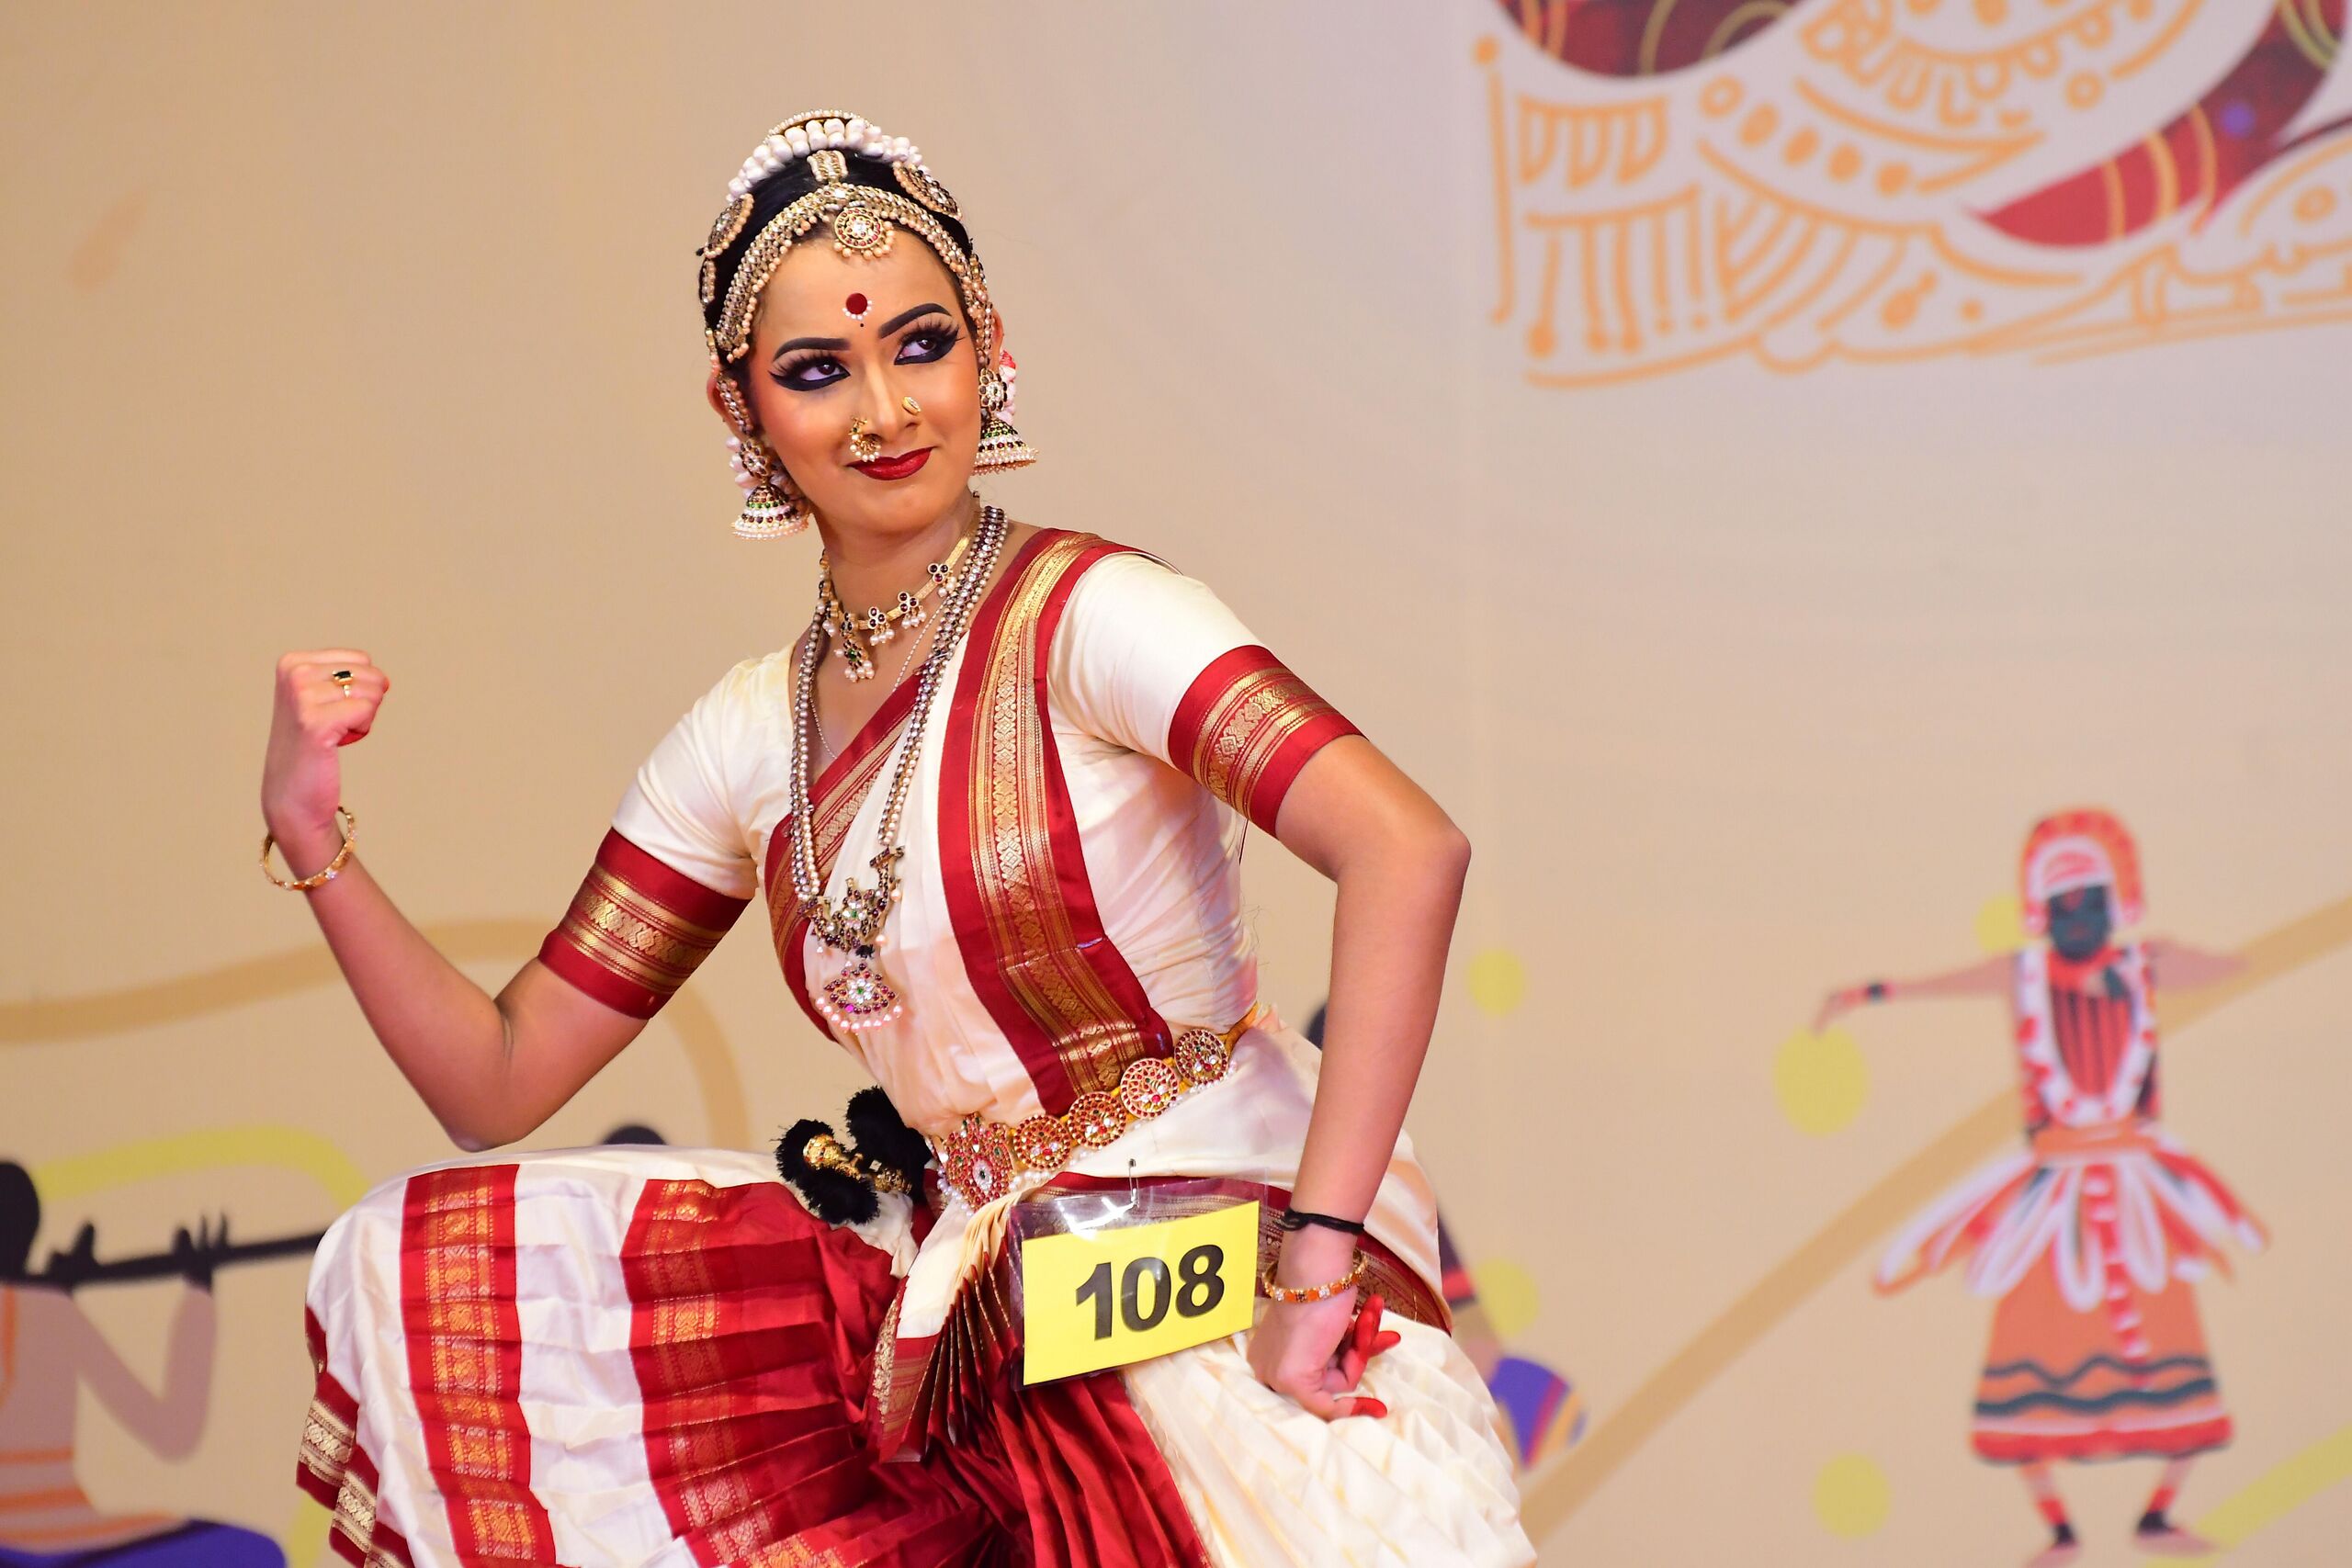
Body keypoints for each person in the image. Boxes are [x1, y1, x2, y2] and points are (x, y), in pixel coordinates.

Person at [265, 112, 1533, 1566]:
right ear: (741, 410)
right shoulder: (748, 738)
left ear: (988, 347)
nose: (883, 410)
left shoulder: (1094, 617)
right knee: (428, 1258)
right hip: (979, 1305)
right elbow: (497, 1077)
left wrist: (1318, 1255)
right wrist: (311, 831)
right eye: (818, 370)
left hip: (1215, 1253)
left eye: (920, 346)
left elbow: (1406, 849)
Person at [1815, 808, 2263, 1568]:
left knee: (2172, 1351)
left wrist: (2179, 956)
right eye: (2063, 905)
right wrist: (1867, 993)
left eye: (2091, 903)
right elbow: (1940, 984)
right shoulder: (2022, 975)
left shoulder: (2140, 967)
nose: (2077, 918)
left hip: (2135, 1194)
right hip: (2055, 1202)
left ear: (2116, 903)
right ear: (2041, 910)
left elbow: (2228, 967)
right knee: (2028, 1352)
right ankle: (2059, 1529)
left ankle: (2158, 1513)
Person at [0, 1164, 281, 1566]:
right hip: (65, 1539)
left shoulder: (52, 1308)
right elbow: (174, 1431)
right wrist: (199, 1290)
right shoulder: (53, 1311)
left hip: (69, 1535)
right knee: (253, 1553)